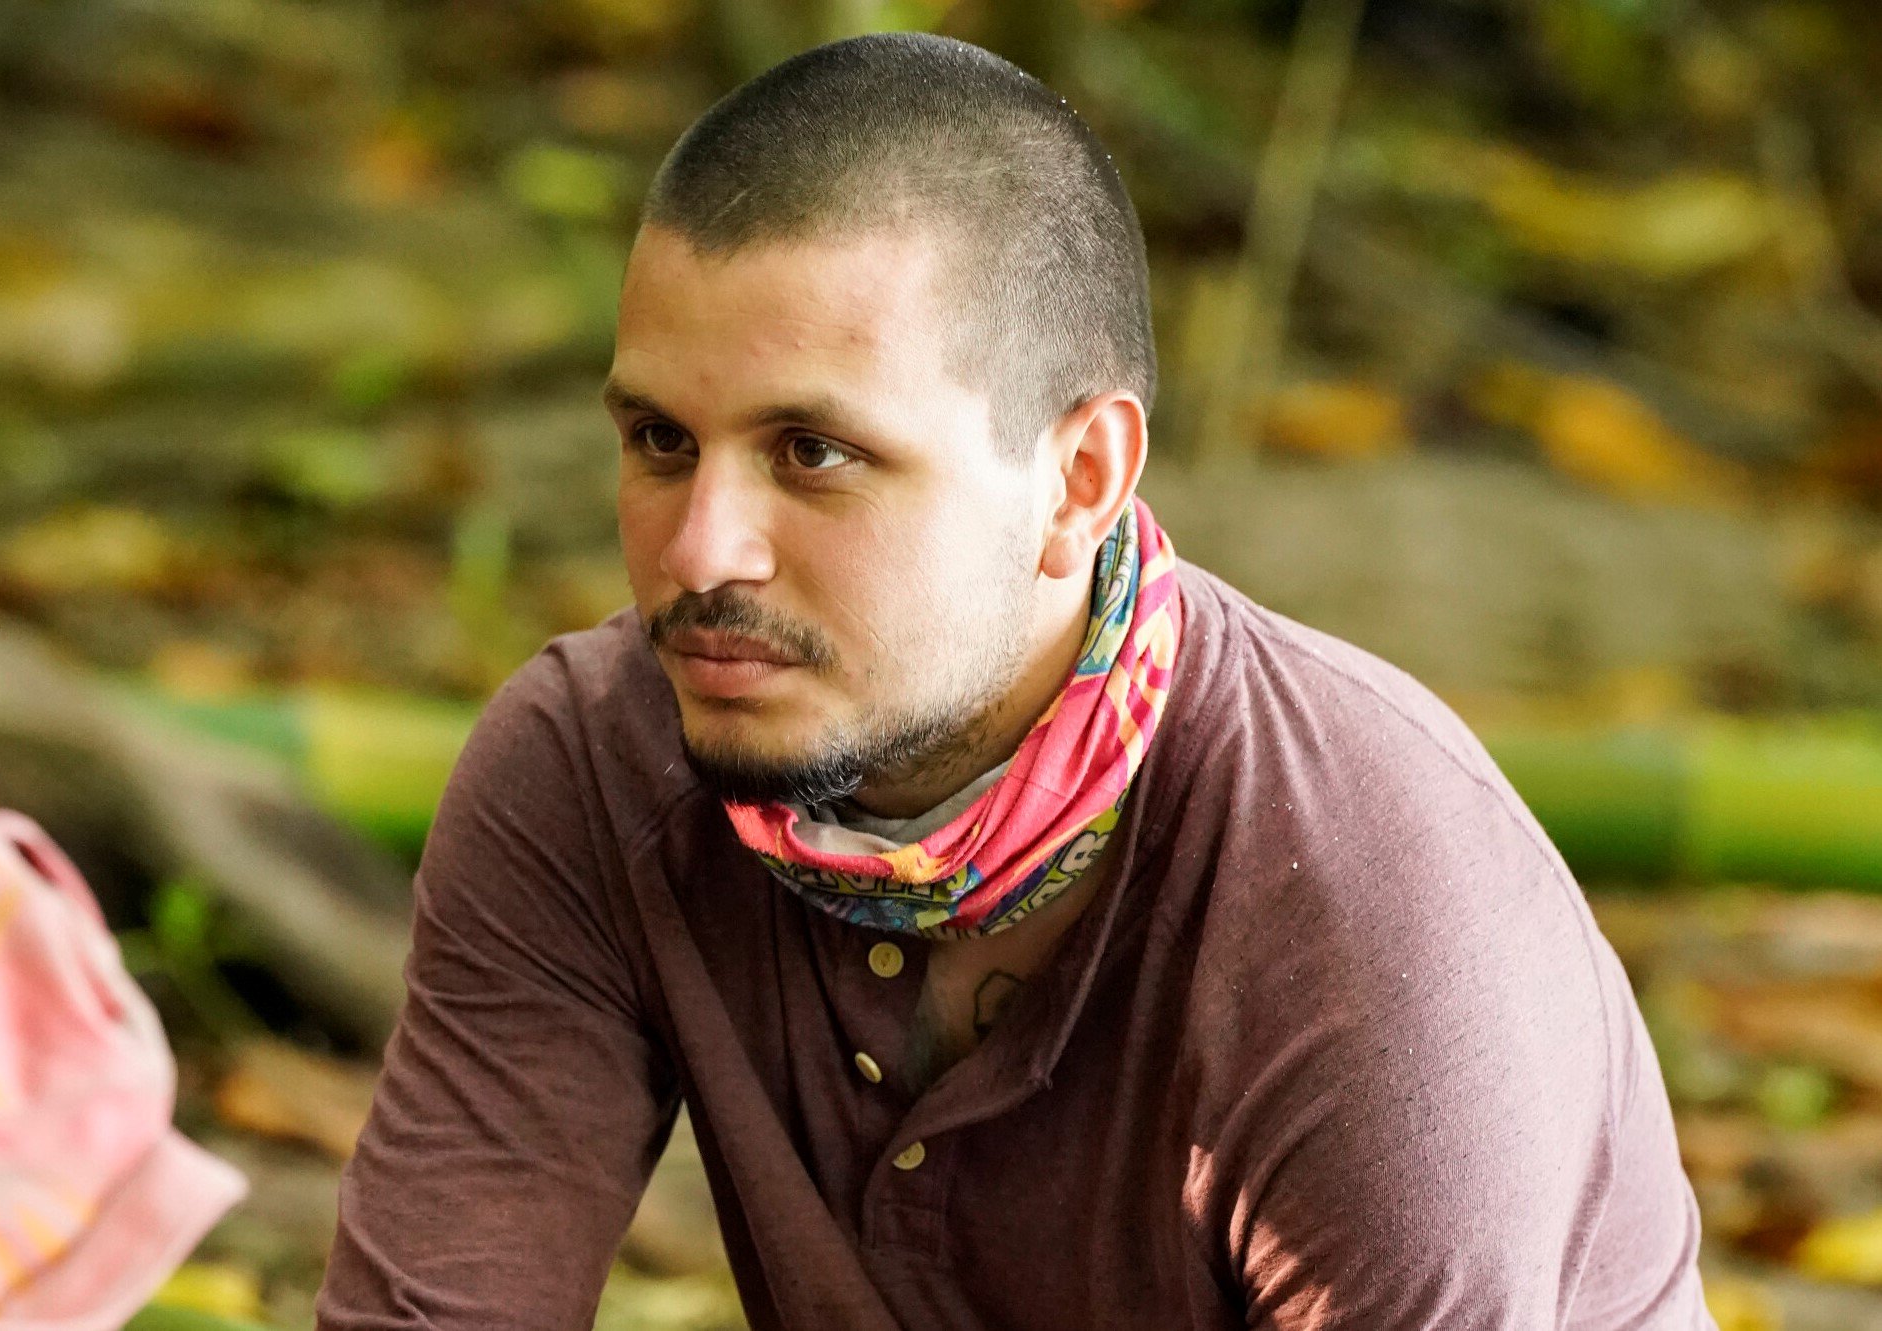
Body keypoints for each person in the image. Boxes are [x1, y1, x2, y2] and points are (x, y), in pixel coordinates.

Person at [315, 32, 1711, 1331]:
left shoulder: (1364, 892)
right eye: (660, 440)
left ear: (1076, 480)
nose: (699, 551)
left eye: (815, 452)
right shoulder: (589, 766)